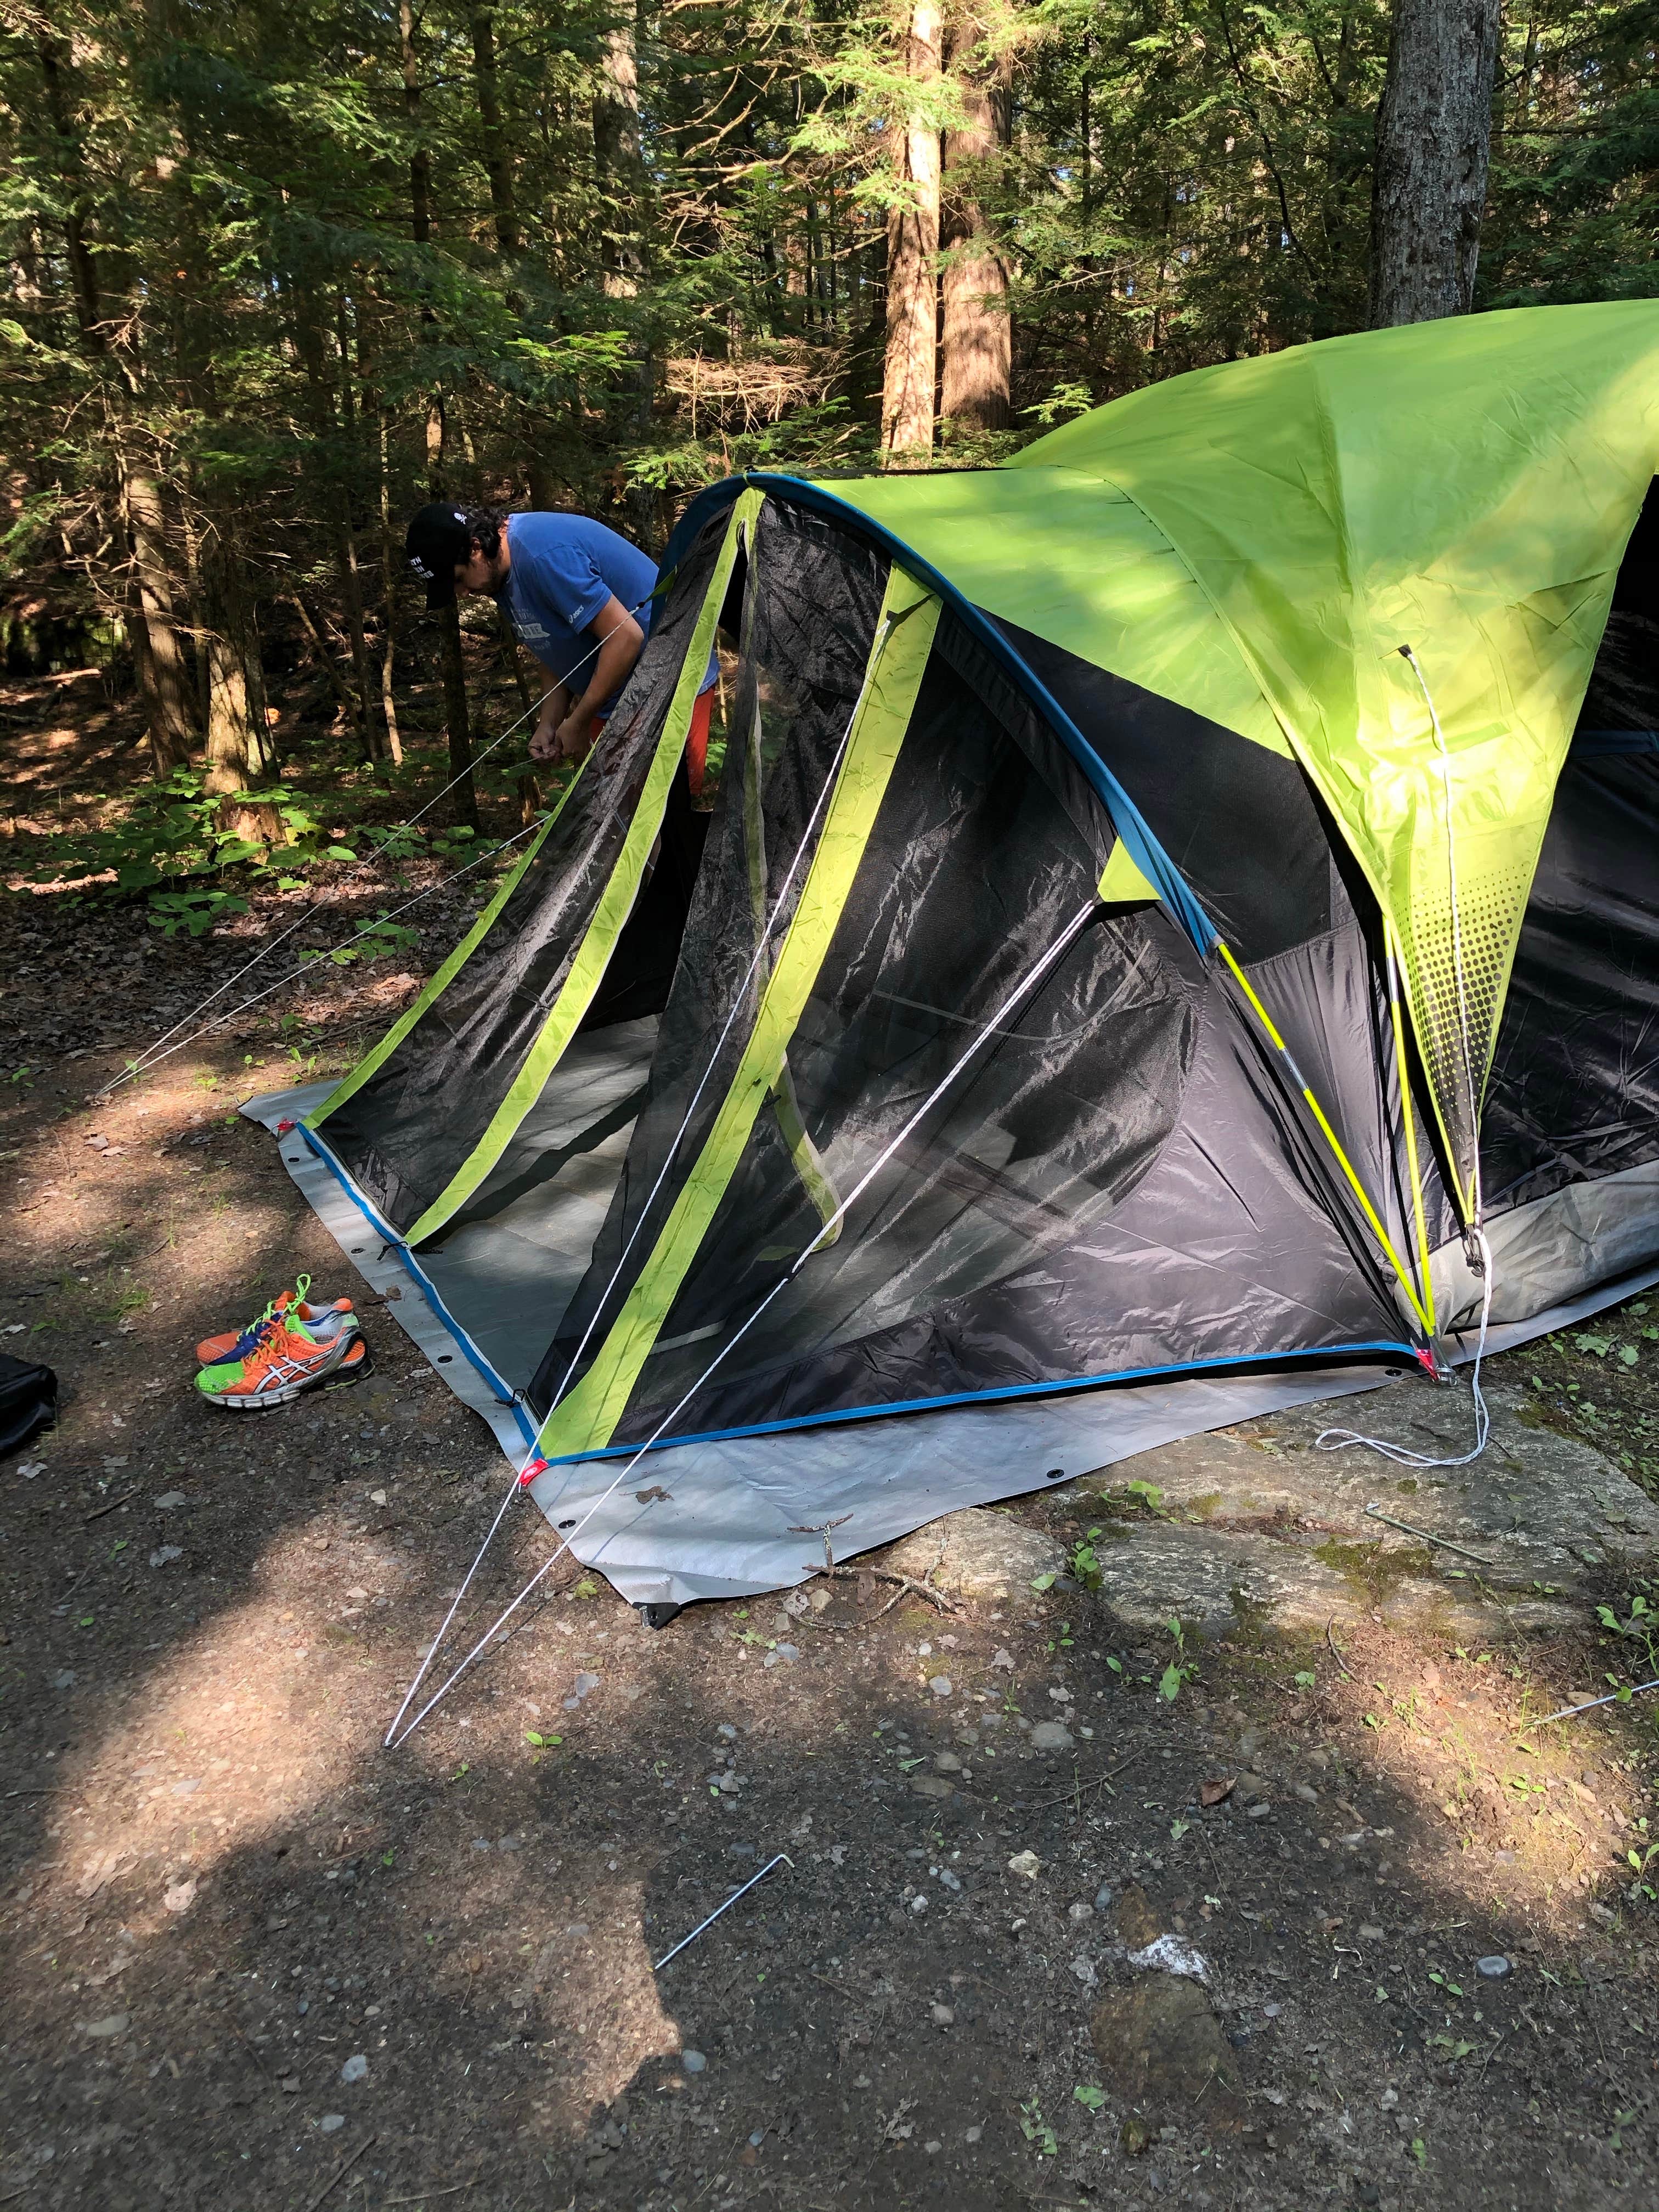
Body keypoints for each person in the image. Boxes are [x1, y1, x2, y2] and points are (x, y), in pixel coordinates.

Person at [404, 502, 715, 786]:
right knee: (614, 823)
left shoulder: (544, 555)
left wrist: (578, 721)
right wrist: (550, 724)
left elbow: (626, 636)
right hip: (615, 692)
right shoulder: (497, 572)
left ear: (475, 548)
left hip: (671, 682)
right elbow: (551, 644)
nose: (462, 593)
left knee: (660, 817)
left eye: (458, 580)